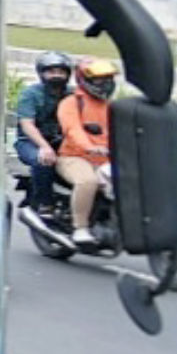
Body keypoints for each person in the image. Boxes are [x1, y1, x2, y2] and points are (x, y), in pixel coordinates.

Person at [53, 54, 119, 248]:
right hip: (74, 157)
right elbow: (72, 130)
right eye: (99, 79)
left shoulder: (111, 107)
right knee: (87, 181)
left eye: (108, 78)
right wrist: (90, 147)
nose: (105, 83)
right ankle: (80, 228)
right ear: (85, 80)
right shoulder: (71, 103)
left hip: (105, 159)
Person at [12, 51, 72, 214]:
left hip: (62, 140)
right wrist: (44, 147)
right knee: (43, 160)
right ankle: (44, 203)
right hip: (30, 142)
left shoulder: (73, 95)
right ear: (41, 73)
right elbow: (27, 125)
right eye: (51, 72)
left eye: (61, 72)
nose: (57, 76)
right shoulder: (31, 94)